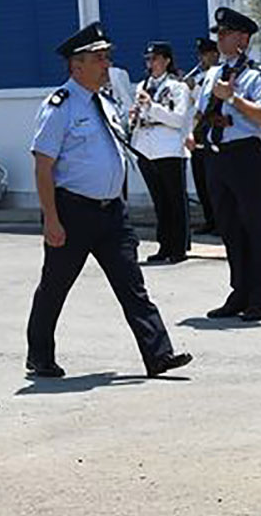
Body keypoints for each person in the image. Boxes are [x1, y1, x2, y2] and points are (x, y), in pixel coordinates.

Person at [25, 22, 192, 379]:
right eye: (99, 59)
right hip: (73, 211)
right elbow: (43, 167)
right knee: (55, 285)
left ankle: (158, 354)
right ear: (76, 65)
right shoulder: (59, 106)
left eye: (106, 57)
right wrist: (50, 219)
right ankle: (39, 355)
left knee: (133, 286)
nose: (106, 65)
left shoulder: (106, 102)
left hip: (112, 213)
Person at [193, 7, 261, 321]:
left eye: (226, 34)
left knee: (254, 226)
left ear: (242, 38)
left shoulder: (258, 73)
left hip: (245, 155)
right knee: (229, 226)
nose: (221, 39)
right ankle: (238, 291)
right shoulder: (213, 73)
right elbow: (202, 110)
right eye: (220, 34)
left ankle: (259, 298)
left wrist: (234, 99)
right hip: (216, 154)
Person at [130, 40, 195, 263]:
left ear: (166, 60)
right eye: (148, 59)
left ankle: (179, 247)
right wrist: (135, 115)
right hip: (146, 148)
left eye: (155, 58)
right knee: (159, 201)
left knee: (175, 200)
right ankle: (164, 245)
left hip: (169, 147)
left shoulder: (178, 86)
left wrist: (151, 107)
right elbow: (141, 114)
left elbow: (178, 119)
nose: (151, 63)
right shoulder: (142, 86)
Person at [186, 36, 221, 235]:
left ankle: (220, 220)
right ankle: (209, 218)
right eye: (200, 55)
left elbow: (208, 101)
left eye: (205, 55)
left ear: (215, 55)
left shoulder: (219, 73)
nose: (202, 59)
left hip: (210, 131)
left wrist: (194, 88)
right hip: (196, 132)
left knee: (213, 180)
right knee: (201, 180)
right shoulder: (198, 76)